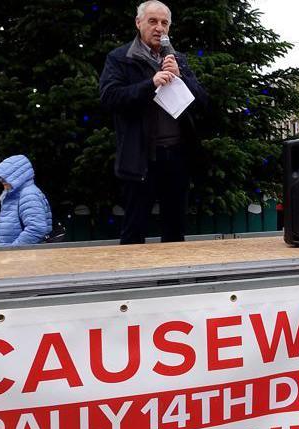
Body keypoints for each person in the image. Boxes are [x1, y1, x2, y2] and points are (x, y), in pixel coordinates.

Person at [99, 0, 208, 245]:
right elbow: (109, 98)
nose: (159, 28)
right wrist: (151, 83)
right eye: (152, 21)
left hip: (177, 156)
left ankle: (172, 281)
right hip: (140, 158)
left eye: (164, 23)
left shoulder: (177, 58)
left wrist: (182, 78)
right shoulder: (120, 58)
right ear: (138, 23)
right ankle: (133, 283)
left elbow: (203, 103)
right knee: (134, 230)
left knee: (174, 230)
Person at [0, 155, 52, 246]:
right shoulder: (14, 195)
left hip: (25, 257)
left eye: (6, 176)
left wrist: (12, 251)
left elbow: (36, 229)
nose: (1, 180)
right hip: (19, 256)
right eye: (1, 176)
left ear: (17, 176)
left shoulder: (28, 194)